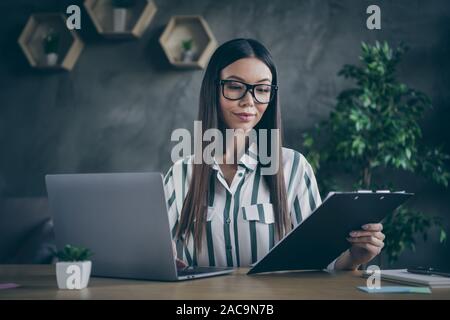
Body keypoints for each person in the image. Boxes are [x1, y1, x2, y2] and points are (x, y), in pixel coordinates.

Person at [164, 38, 385, 270]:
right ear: (213, 89)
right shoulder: (181, 173)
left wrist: (355, 258)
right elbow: (151, 252)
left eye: (262, 89)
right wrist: (165, 262)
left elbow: (321, 262)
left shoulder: (294, 167)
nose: (249, 101)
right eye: (235, 87)